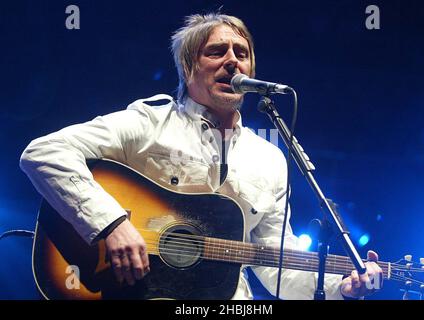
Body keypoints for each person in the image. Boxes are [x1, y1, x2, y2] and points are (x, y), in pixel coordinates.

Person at [20, 13, 382, 299]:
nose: (232, 62)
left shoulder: (270, 158)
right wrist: (112, 224)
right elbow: (44, 153)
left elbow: (276, 268)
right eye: (216, 52)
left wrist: (341, 289)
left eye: (242, 54)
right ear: (189, 65)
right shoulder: (150, 123)